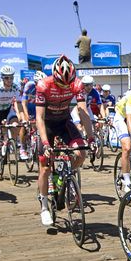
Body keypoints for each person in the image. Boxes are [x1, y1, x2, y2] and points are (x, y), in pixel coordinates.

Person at [34, 55, 95, 226]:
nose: (64, 86)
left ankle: (66, 176)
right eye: (61, 83)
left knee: (81, 152)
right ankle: (44, 206)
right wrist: (45, 143)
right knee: (45, 168)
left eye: (67, 83)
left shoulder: (77, 84)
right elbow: (39, 117)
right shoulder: (43, 85)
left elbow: (83, 112)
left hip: (64, 122)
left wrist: (90, 138)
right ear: (54, 76)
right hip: (47, 124)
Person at [0, 65, 25, 174]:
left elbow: (18, 104)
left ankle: (7, 143)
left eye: (11, 78)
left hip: (8, 110)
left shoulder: (15, 88)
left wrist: (22, 118)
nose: (9, 80)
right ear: (2, 78)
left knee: (17, 125)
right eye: (6, 78)